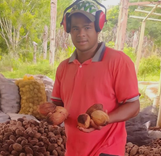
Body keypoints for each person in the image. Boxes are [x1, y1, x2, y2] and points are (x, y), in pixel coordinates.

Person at [51, 0, 140, 156]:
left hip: (107, 149)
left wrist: (104, 119)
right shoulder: (63, 67)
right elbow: (58, 104)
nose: (81, 34)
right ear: (68, 30)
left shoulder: (118, 61)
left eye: (87, 27)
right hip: (73, 150)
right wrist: (51, 114)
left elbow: (133, 106)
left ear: (98, 28)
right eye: (75, 28)